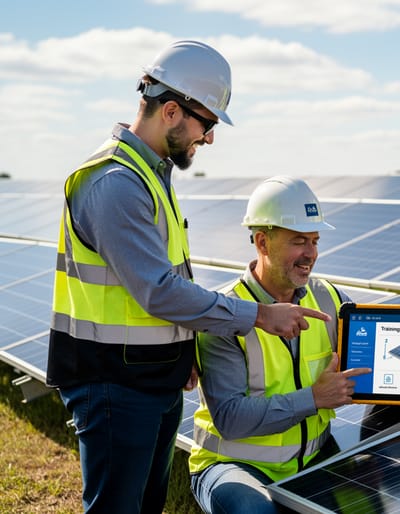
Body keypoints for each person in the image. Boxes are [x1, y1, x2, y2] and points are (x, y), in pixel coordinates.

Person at [46, 41, 327, 513]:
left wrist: (179, 348)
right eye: (208, 123)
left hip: (148, 377)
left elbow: (153, 286)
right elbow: (157, 290)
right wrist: (258, 315)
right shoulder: (115, 182)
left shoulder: (150, 177)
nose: (210, 139)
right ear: (172, 110)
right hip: (114, 383)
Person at [189, 176, 400, 514]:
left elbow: (389, 361)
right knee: (252, 511)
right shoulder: (227, 315)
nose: (310, 254)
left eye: (314, 241)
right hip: (236, 465)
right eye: (299, 241)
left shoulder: (328, 299)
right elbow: (230, 419)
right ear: (262, 243)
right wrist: (314, 399)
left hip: (314, 455)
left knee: (372, 506)